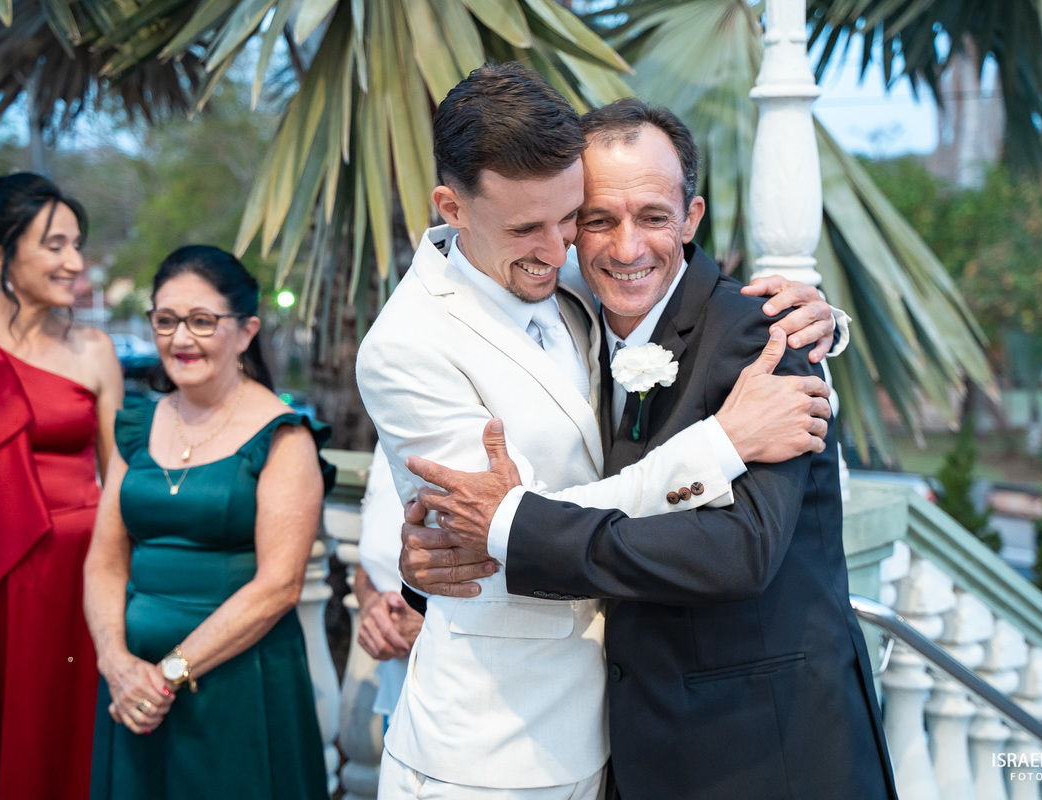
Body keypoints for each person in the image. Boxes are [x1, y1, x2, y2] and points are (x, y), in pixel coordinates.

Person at [355, 63, 842, 800]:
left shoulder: (567, 282)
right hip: (488, 752)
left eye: (567, 219)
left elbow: (665, 277)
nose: (560, 252)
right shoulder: (405, 345)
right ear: (452, 208)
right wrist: (721, 444)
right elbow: (507, 530)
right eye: (531, 228)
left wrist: (824, 322)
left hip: (621, 740)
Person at [83, 245, 331, 800]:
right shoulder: (137, 427)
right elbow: (104, 559)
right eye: (165, 321)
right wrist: (116, 663)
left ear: (245, 331)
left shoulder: (283, 436)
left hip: (236, 678)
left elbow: (280, 585)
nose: (180, 338)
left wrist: (169, 674)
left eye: (201, 321)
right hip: (132, 687)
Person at [0, 170, 124, 800]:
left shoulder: (95, 350)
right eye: (54, 245)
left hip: (82, 588)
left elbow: (119, 479)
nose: (75, 262)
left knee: (70, 752)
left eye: (77, 244)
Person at [353, 444, 424, 732]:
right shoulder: (388, 437)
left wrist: (434, 620)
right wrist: (372, 603)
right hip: (398, 688)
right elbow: (371, 559)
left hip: (467, 696)